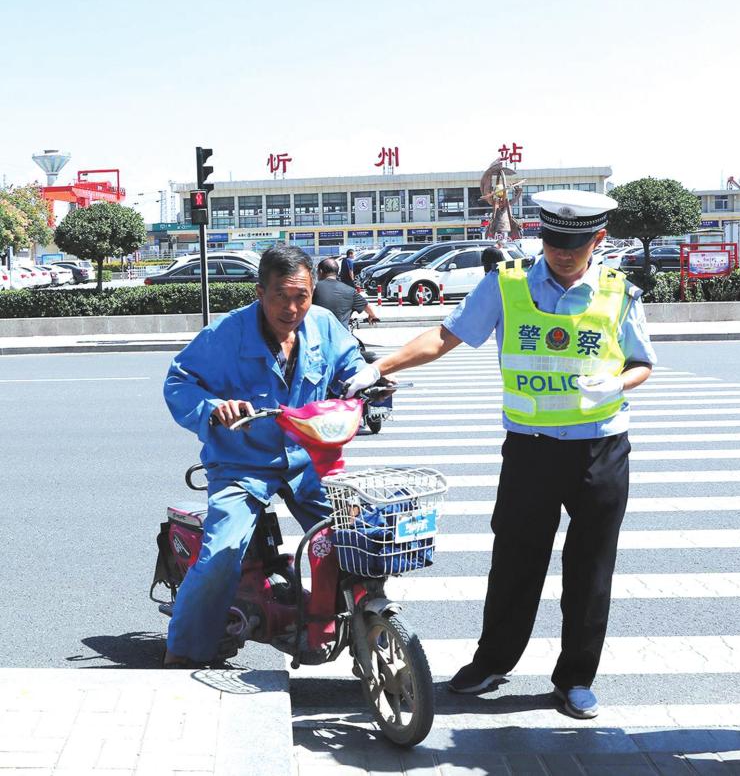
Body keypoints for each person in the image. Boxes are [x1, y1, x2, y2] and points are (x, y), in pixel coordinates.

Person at [345, 189, 656, 719]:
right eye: (553, 243)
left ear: (598, 240)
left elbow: (642, 361)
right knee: (514, 560)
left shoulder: (619, 292)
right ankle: (492, 661)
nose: (562, 254)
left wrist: (620, 382)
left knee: (591, 568)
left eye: (575, 245)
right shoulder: (506, 284)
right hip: (530, 450)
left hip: (600, 450)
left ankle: (576, 679)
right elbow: (445, 337)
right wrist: (380, 367)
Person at [162, 245, 367, 667]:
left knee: (356, 538)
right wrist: (213, 409)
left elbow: (353, 367)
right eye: (280, 296)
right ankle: (183, 653)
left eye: (301, 297)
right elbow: (179, 383)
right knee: (222, 554)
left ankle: (342, 623)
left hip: (309, 458)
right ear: (260, 293)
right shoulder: (227, 332)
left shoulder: (325, 326)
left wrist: (371, 387)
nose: (291, 308)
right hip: (241, 464)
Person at [313, 257, 379, 329]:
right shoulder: (350, 290)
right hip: (342, 333)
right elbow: (367, 306)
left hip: (318, 332)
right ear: (337, 272)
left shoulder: (313, 289)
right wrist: (372, 316)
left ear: (320, 271)